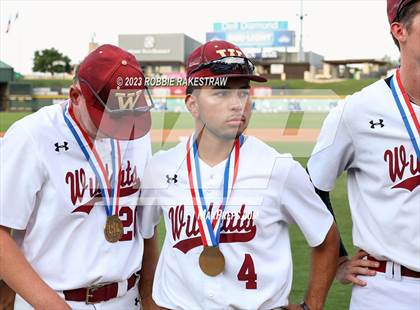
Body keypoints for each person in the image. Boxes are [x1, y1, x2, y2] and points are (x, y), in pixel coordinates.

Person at [139, 40, 339, 310]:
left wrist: (311, 306)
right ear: (192, 104)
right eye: (221, 92)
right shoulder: (161, 168)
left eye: (243, 91)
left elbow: (326, 237)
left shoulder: (278, 168)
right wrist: (151, 302)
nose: (237, 104)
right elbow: (144, 233)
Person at [0, 44, 159, 309]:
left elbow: (147, 227)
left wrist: (150, 296)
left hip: (127, 298)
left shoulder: (136, 133)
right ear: (76, 96)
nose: (122, 127)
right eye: (110, 116)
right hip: (55, 299)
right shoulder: (32, 136)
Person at [307, 1, 420, 309]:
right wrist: (340, 258)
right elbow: (312, 188)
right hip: (390, 289)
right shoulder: (357, 110)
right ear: (400, 31)